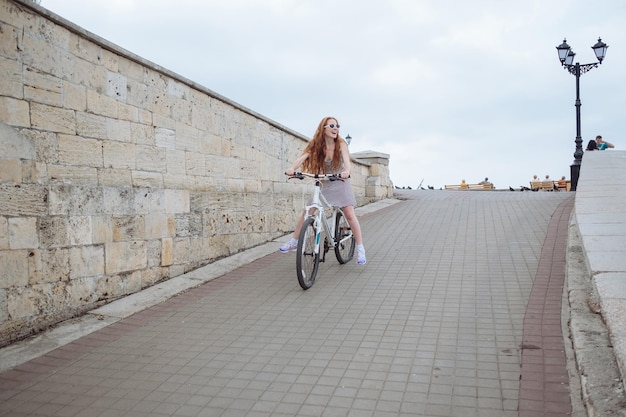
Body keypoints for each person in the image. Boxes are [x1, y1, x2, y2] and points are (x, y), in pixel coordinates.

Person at [279, 117, 366, 265]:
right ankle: (294, 241)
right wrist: (292, 168)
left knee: (349, 213)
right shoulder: (316, 144)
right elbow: (303, 157)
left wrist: (346, 171)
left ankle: (360, 248)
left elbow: (347, 161)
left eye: (337, 126)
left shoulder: (341, 144)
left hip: (340, 180)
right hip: (324, 181)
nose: (336, 128)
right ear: (323, 128)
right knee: (308, 210)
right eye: (332, 125)